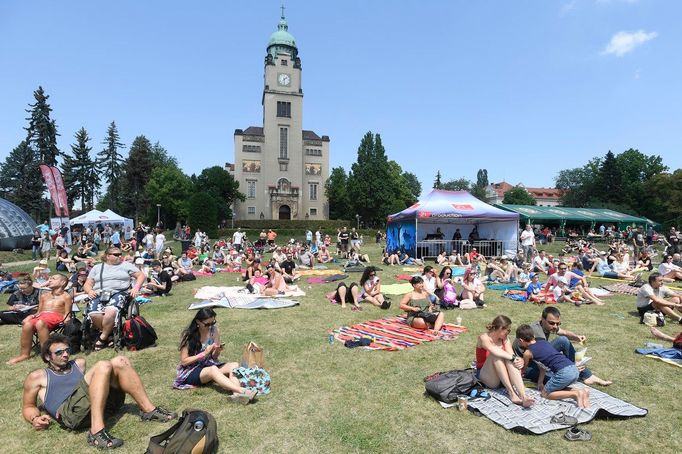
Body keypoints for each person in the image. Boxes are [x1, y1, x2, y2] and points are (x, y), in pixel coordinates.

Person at [22, 333, 176, 449]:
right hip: (71, 414)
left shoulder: (79, 363)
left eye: (67, 350)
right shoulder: (38, 376)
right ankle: (96, 432)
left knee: (119, 361)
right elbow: (28, 406)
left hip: (101, 407)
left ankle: (149, 410)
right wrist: (35, 418)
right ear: (48, 357)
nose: (65, 354)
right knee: (103, 365)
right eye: (59, 352)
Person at [512, 306, 612, 386]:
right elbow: (545, 355)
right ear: (542, 319)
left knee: (563, 340)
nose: (555, 326)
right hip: (527, 362)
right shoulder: (537, 333)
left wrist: (576, 337)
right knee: (553, 380)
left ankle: (586, 375)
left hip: (535, 356)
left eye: (557, 323)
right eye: (552, 323)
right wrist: (568, 367)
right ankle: (574, 371)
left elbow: (563, 332)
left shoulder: (547, 326)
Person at [174, 309, 257, 403]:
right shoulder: (189, 335)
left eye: (212, 322)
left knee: (234, 365)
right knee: (213, 369)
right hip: (191, 370)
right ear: (198, 321)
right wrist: (204, 353)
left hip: (207, 364)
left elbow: (214, 357)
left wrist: (217, 350)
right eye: (206, 324)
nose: (210, 326)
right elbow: (184, 361)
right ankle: (242, 391)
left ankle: (237, 395)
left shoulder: (214, 330)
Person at [82, 246, 146, 351]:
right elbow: (87, 284)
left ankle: (102, 338)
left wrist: (136, 288)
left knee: (110, 312)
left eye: (120, 254)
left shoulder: (126, 265)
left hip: (119, 293)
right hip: (99, 294)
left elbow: (141, 276)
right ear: (108, 256)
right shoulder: (97, 268)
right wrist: (89, 291)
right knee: (93, 313)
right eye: (116, 254)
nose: (120, 256)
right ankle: (109, 334)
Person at [516, 324, 590, 408]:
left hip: (563, 372)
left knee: (545, 394)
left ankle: (575, 394)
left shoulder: (527, 353)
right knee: (556, 388)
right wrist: (540, 382)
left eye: (518, 342)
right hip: (573, 369)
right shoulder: (543, 342)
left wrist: (518, 378)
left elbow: (523, 369)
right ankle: (582, 392)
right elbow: (542, 368)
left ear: (521, 340)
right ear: (533, 336)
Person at [7, 274, 72, 364]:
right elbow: (38, 312)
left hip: (56, 316)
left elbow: (67, 313)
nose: (50, 280)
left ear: (62, 282)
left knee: (40, 323)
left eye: (53, 278)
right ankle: (24, 354)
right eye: (49, 278)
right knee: (28, 324)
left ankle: (46, 354)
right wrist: (31, 316)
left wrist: (67, 319)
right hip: (41, 316)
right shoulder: (44, 296)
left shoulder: (66, 296)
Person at [475, 315, 534, 407]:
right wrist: (513, 358)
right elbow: (494, 350)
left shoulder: (505, 339)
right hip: (487, 376)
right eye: (508, 330)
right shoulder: (484, 338)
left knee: (510, 358)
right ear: (501, 328)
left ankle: (524, 396)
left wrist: (519, 360)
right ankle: (512, 393)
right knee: (496, 355)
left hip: (502, 377)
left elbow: (511, 355)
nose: (508, 333)